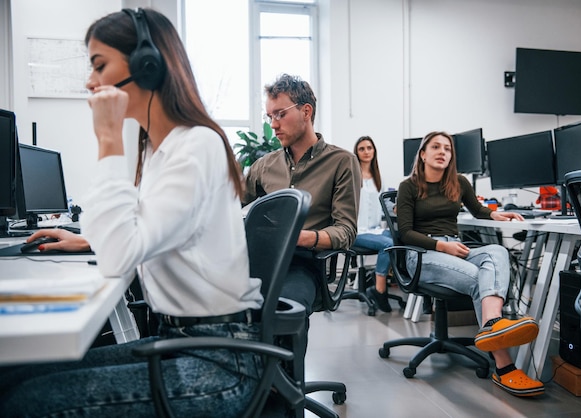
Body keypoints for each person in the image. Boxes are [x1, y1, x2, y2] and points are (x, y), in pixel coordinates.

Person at [0, 9, 264, 417]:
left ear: (147, 64)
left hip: (216, 365)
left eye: (99, 65)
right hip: (181, 342)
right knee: (12, 375)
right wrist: (89, 239)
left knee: (26, 402)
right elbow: (150, 230)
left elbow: (119, 257)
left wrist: (108, 139)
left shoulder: (197, 145)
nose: (90, 81)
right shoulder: (160, 149)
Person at [397, 131, 544, 397]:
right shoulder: (409, 186)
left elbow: (477, 210)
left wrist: (496, 214)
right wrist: (443, 246)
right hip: (422, 253)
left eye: (448, 149)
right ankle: (505, 367)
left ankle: (491, 325)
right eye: (436, 147)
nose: (443, 152)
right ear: (423, 154)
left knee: (496, 252)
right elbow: (405, 232)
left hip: (455, 246)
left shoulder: (459, 182)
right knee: (480, 278)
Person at [243, 73, 360, 325]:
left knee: (284, 313)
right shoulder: (264, 166)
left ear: (306, 112)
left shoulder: (341, 162)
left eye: (280, 114)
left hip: (304, 264)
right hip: (259, 260)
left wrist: (300, 236)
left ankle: (285, 366)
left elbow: (346, 231)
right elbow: (228, 205)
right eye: (269, 116)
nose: (273, 124)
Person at [351, 135, 395, 313]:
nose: (366, 151)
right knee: (388, 244)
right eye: (362, 149)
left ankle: (388, 286)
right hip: (356, 232)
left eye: (369, 148)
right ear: (356, 152)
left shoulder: (379, 178)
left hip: (375, 230)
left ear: (374, 151)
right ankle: (379, 290)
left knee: (400, 239)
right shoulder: (351, 176)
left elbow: (385, 205)